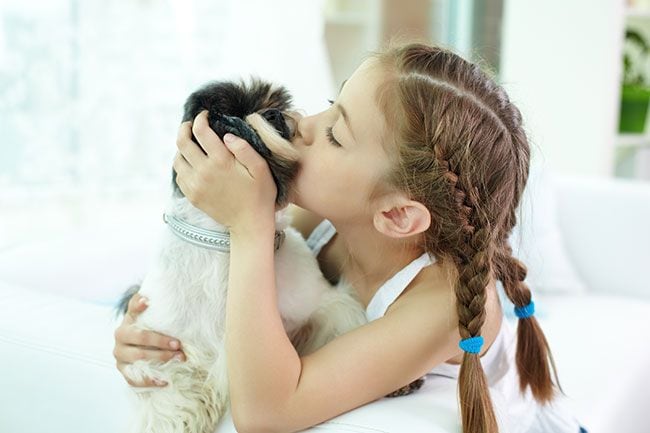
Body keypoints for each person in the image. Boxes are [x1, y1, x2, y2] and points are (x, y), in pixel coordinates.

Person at [113, 40, 587, 433]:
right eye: (329, 106)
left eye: (336, 135)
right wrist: (150, 331)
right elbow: (219, 290)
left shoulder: (443, 304)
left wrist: (250, 226)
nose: (302, 124)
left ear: (397, 215)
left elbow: (266, 413)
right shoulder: (320, 224)